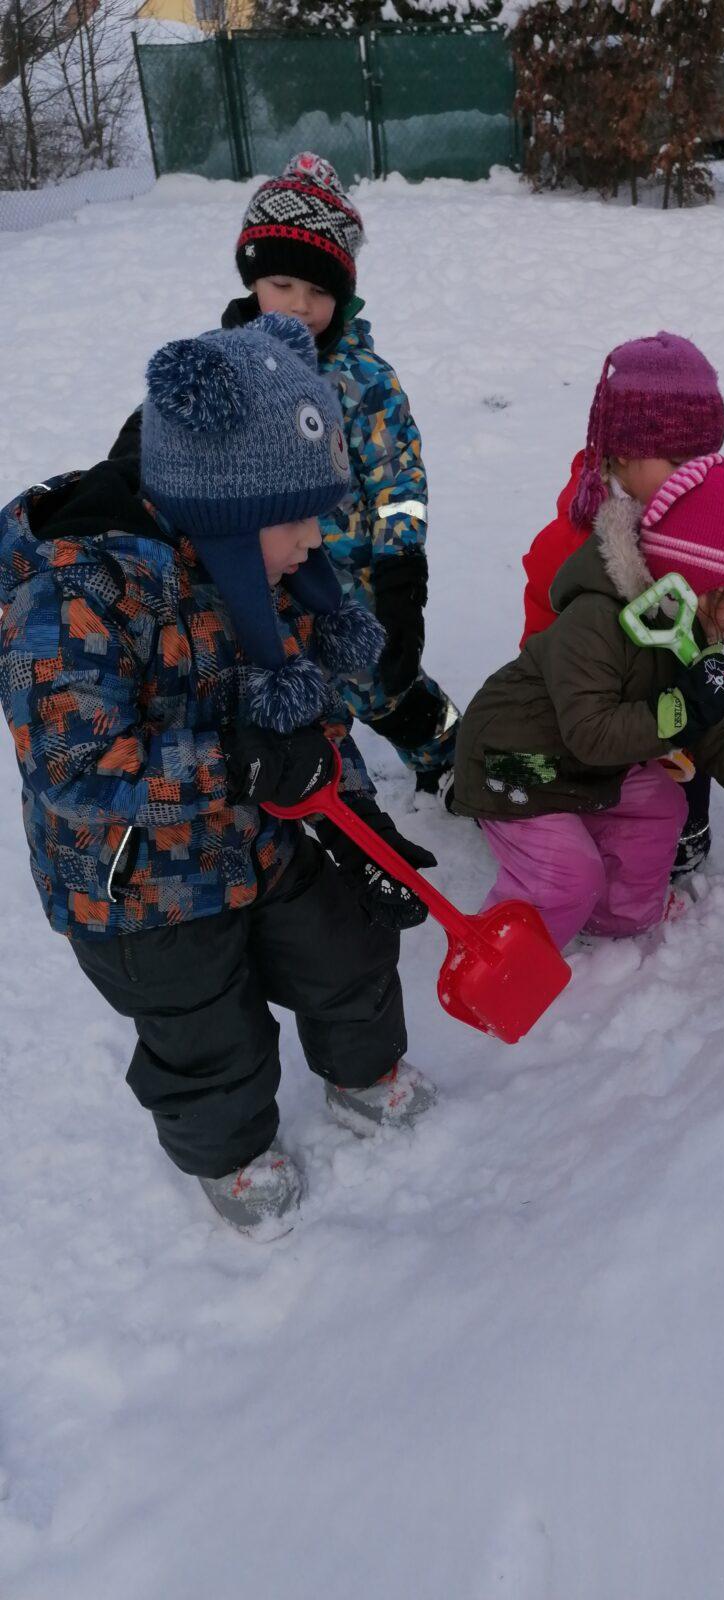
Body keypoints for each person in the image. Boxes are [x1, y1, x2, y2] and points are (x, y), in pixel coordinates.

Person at [0, 316, 437, 1240]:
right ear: (224, 507)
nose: (318, 542)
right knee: (207, 1035)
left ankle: (363, 1072)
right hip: (140, 887)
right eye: (300, 519)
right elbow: (77, 767)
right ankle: (233, 1151)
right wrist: (234, 764)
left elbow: (313, 714)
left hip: (272, 833)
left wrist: (356, 816)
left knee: (346, 948)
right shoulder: (73, 592)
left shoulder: (263, 567)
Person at [110, 151, 459, 799]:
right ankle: (326, 789)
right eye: (282, 285)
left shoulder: (364, 380)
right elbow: (168, 441)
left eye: (320, 291)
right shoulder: (219, 368)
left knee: (385, 683)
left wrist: (401, 573)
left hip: (349, 587)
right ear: (251, 281)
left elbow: (400, 484)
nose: (300, 305)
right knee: (291, 695)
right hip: (252, 581)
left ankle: (448, 748)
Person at [453, 454, 724, 950]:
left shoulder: (689, 627)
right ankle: (510, 956)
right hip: (515, 764)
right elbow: (592, 732)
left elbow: (718, 734)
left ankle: (619, 920)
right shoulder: (595, 618)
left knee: (660, 804)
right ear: (685, 574)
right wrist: (682, 709)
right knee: (568, 874)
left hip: (586, 767)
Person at [518, 333, 724, 879]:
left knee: (689, 748)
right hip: (601, 708)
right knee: (620, 778)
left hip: (681, 704)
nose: (692, 474)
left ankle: (687, 823)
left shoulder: (704, 519)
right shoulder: (572, 543)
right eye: (678, 458)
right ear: (623, 452)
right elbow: (545, 633)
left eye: (704, 457)